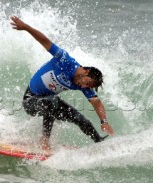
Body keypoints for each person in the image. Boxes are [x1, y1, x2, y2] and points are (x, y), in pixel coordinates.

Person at [10, 16, 114, 154]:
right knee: (52, 102)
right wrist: (26, 27)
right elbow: (46, 42)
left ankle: (99, 143)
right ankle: (44, 141)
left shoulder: (81, 84)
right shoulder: (66, 60)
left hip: (49, 102)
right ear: (86, 71)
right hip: (30, 100)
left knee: (81, 120)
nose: (84, 87)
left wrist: (104, 121)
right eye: (87, 83)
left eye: (88, 86)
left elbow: (96, 102)